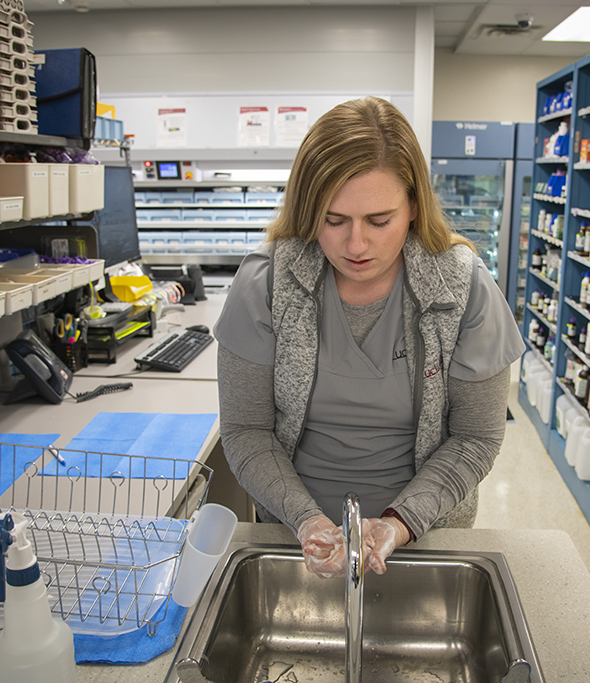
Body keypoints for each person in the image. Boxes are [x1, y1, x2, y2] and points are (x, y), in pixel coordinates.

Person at [213, 97, 524, 578]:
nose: (356, 245)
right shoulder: (267, 283)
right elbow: (246, 430)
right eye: (333, 220)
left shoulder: (463, 288)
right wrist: (306, 520)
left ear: (415, 207)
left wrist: (400, 523)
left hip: (429, 538)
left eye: (380, 221)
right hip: (293, 538)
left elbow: (475, 437)